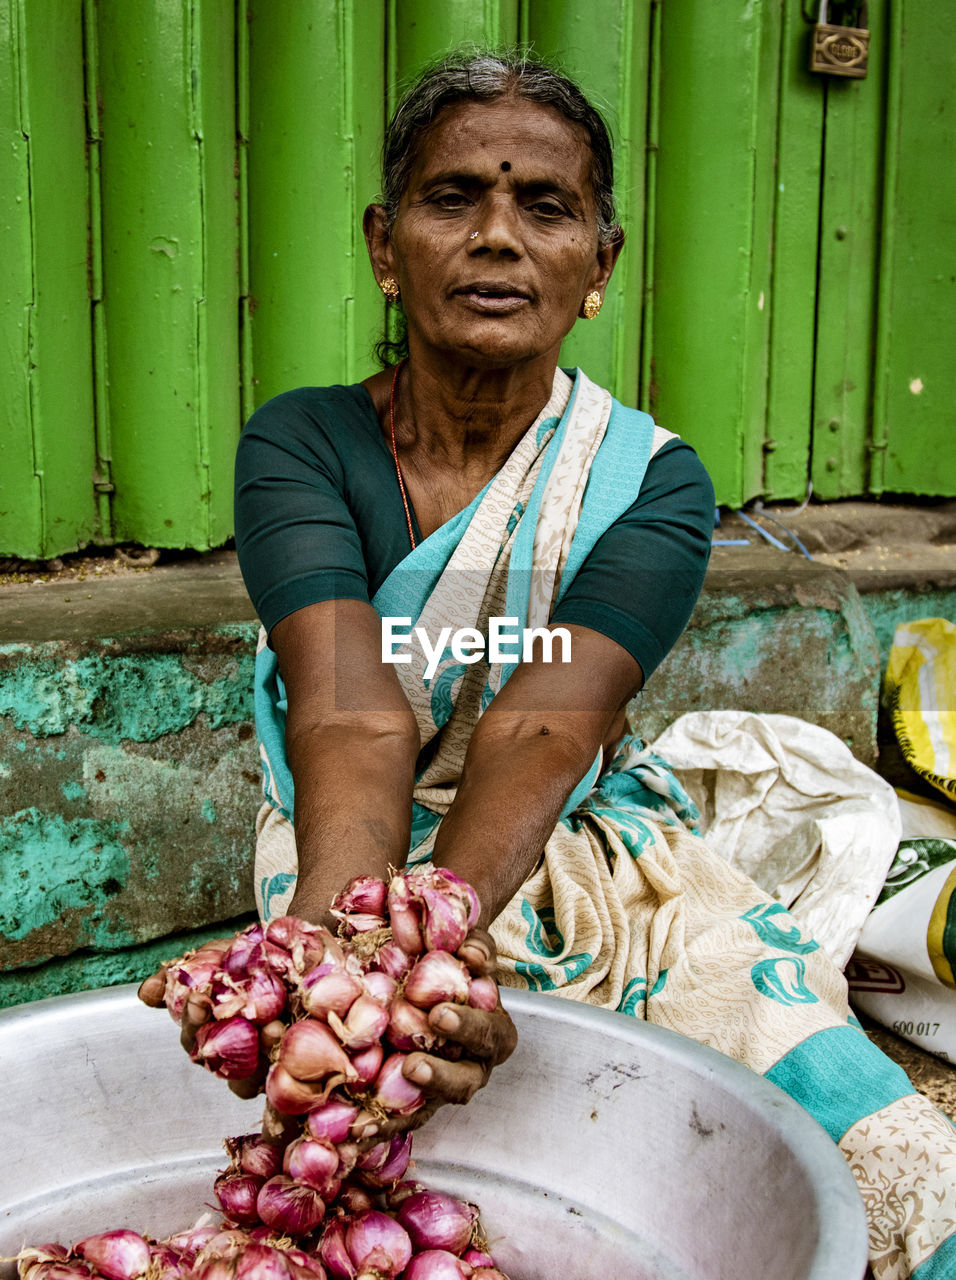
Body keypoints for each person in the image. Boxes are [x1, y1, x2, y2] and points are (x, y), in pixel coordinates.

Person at [142, 52, 956, 1280]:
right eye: (451, 196)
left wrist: (442, 937)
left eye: (545, 206)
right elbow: (352, 715)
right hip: (346, 854)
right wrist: (357, 960)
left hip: (579, 841)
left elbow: (543, 727)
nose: (495, 238)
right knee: (356, 1152)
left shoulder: (649, 483)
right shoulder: (302, 444)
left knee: (877, 1151)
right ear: (383, 241)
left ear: (599, 267)